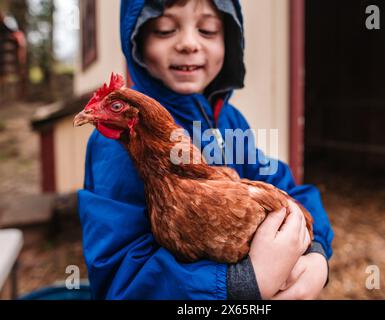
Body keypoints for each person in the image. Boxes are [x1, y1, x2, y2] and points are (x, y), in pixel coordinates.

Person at [78, 0, 334, 300]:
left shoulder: (230, 121)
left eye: (208, 30)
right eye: (165, 29)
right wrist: (239, 284)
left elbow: (286, 188)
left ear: (230, 39)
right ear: (137, 41)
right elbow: (120, 278)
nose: (188, 43)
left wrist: (316, 253)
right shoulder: (117, 145)